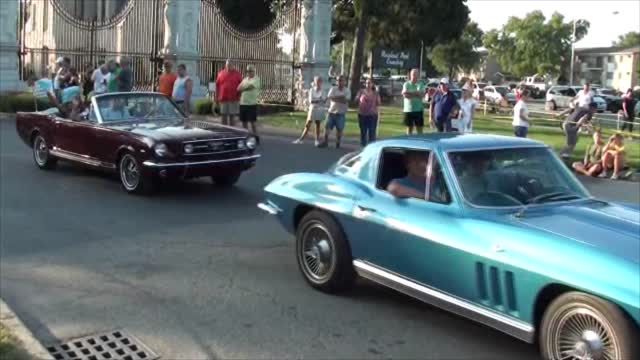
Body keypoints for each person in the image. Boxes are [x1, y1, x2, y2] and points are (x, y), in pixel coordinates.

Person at [293, 76, 326, 146]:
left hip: (320, 109)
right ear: (314, 82)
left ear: (321, 82)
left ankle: (316, 140)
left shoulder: (323, 91)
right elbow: (311, 101)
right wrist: (319, 100)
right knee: (308, 124)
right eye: (316, 81)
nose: (318, 83)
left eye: (319, 81)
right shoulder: (312, 90)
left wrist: (318, 100)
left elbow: (324, 100)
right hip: (313, 109)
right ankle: (301, 139)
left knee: (318, 124)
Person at [319, 75, 350, 149]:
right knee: (327, 127)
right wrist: (341, 97)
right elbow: (330, 98)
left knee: (339, 129)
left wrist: (336, 98)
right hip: (331, 112)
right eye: (338, 80)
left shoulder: (347, 90)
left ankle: (338, 143)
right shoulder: (333, 89)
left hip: (341, 113)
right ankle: (325, 142)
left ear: (344, 82)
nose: (339, 82)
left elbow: (346, 100)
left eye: (341, 80)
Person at [216, 59, 242, 126]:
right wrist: (216, 98)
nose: (228, 66)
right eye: (227, 65)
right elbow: (217, 86)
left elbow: (241, 86)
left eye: (230, 65)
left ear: (233, 65)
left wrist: (238, 97)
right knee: (223, 116)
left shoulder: (237, 74)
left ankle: (232, 132)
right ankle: (224, 131)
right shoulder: (220, 73)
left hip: (233, 99)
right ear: (225, 65)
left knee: (232, 117)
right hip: (223, 99)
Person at [356, 78, 381, 147]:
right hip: (362, 114)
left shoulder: (375, 93)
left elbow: (378, 103)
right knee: (363, 131)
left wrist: (377, 94)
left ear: (372, 84)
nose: (368, 84)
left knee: (372, 132)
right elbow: (356, 99)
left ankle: (371, 147)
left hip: (372, 115)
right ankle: (363, 146)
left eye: (369, 83)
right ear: (365, 84)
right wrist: (359, 99)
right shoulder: (361, 91)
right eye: (367, 83)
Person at [237, 65, 261, 136]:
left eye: (250, 71)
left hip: (251, 104)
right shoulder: (245, 79)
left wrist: (243, 88)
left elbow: (251, 87)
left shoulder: (256, 79)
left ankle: (255, 137)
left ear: (254, 71)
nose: (249, 72)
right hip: (243, 104)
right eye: (247, 71)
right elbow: (238, 88)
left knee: (253, 123)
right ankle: (246, 136)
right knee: (244, 122)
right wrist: (245, 87)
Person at [402, 69, 425, 134]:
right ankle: (409, 143)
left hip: (418, 110)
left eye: (416, 74)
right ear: (410, 75)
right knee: (409, 129)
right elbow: (405, 95)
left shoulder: (421, 84)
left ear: (418, 75)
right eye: (413, 74)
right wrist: (416, 93)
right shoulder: (406, 84)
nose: (414, 76)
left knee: (419, 130)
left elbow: (421, 95)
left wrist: (410, 93)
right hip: (408, 110)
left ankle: (420, 143)